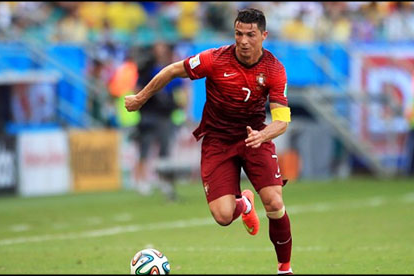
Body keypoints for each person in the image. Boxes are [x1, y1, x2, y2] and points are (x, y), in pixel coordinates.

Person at [125, 8, 293, 274]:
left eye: (250, 35)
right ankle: (244, 204)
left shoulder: (274, 69)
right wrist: (140, 98)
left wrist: (263, 135)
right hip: (218, 141)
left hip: (255, 137)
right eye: (239, 34)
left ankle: (284, 268)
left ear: (264, 35)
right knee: (224, 216)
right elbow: (172, 70)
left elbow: (282, 120)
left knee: (274, 201)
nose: (243, 40)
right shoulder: (214, 59)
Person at [132, 42, 185, 200]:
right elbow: (137, 89)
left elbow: (180, 90)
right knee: (145, 148)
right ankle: (141, 181)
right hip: (149, 115)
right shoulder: (147, 70)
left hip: (164, 115)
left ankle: (164, 182)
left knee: (164, 150)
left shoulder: (170, 69)